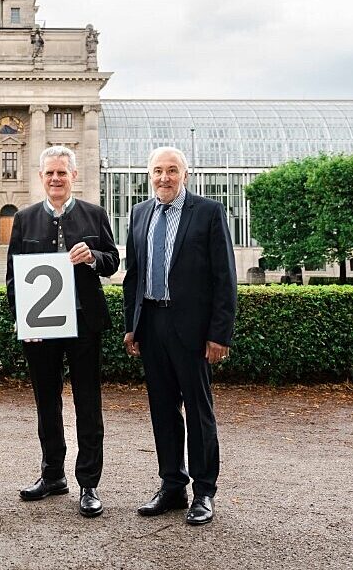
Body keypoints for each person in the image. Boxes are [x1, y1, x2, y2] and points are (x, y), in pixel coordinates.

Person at [122, 146, 236, 526]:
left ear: (185, 175)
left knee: (199, 410)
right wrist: (131, 326)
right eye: (157, 171)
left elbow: (225, 278)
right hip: (152, 324)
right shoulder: (139, 214)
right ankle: (172, 485)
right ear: (149, 175)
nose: (164, 177)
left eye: (172, 170)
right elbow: (133, 277)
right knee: (163, 410)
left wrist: (219, 334)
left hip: (192, 329)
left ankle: (204, 490)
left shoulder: (207, 212)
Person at [6, 145, 119, 518]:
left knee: (88, 402)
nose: (56, 178)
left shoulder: (95, 214)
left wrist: (94, 258)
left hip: (84, 322)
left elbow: (112, 261)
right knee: (47, 403)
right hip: (41, 326)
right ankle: (52, 474)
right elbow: (13, 277)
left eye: (62, 173)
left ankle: (88, 483)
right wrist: (25, 321)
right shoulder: (24, 219)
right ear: (41, 178)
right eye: (50, 173)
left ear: (74, 176)